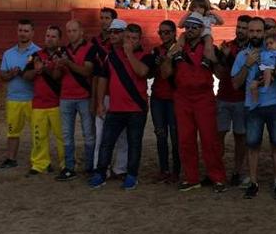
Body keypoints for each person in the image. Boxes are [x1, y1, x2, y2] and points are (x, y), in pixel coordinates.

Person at [161, 12, 227, 193]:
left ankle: (217, 178)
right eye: (187, 27)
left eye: (194, 27)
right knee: (185, 140)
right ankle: (191, 178)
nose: (190, 30)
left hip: (204, 97)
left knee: (209, 140)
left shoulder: (210, 48)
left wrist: (215, 60)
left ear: (201, 29)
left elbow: (221, 75)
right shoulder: (177, 49)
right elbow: (165, 74)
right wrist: (168, 57)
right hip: (182, 98)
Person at [89, 23, 154, 190]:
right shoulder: (111, 57)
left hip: (137, 109)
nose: (130, 41)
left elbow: (142, 72)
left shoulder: (146, 55)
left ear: (140, 40)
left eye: (134, 38)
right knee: (106, 142)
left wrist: (129, 54)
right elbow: (103, 79)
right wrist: (100, 102)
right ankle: (100, 173)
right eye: (127, 37)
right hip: (116, 108)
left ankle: (131, 175)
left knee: (134, 144)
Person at [231, 17, 276, 199]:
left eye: (259, 31)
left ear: (264, 32)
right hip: (253, 106)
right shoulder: (242, 56)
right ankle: (253, 182)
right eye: (252, 31)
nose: (255, 34)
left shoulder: (275, 49)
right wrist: (247, 65)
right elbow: (235, 84)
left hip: (275, 103)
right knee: (252, 145)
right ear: (247, 32)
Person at [56, 20, 97, 181]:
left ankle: (89, 166)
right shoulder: (63, 50)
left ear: (81, 32)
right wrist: (59, 66)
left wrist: (68, 63)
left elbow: (87, 71)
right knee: (67, 134)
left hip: (83, 96)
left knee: (88, 133)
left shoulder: (90, 48)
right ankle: (69, 167)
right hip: (66, 95)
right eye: (69, 31)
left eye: (74, 30)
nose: (71, 34)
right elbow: (58, 76)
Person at [22, 26, 65, 175]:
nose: (49, 38)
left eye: (53, 36)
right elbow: (26, 75)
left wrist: (44, 69)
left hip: (59, 103)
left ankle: (65, 163)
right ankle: (40, 164)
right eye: (47, 35)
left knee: (62, 136)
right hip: (39, 103)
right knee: (38, 136)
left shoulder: (63, 54)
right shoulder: (36, 55)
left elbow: (59, 77)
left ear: (59, 39)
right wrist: (37, 70)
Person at [0, 19, 40, 170]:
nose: (22, 34)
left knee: (37, 131)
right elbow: (2, 75)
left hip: (33, 98)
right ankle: (11, 158)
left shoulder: (38, 53)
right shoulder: (8, 53)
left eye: (26, 31)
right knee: (12, 131)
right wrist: (11, 73)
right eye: (20, 30)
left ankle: (39, 161)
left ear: (32, 33)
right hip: (14, 98)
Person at [92, 11, 128, 180]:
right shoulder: (105, 52)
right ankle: (100, 168)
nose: (113, 34)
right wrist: (99, 102)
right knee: (101, 136)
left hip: (123, 99)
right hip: (107, 97)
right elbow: (100, 78)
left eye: (117, 32)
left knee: (122, 137)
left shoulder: (130, 53)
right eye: (112, 32)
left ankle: (120, 168)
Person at [216, 15, 251, 187]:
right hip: (223, 96)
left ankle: (237, 171)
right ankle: (217, 171)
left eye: (244, 28)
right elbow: (219, 73)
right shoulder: (227, 46)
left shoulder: (252, 50)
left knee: (240, 137)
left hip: (242, 99)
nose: (240, 30)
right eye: (239, 27)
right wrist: (222, 58)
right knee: (219, 135)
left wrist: (228, 57)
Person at [150, 20, 181, 183]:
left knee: (176, 136)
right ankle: (164, 169)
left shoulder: (179, 51)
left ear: (174, 33)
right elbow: (150, 73)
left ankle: (176, 170)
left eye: (167, 32)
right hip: (158, 98)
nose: (163, 35)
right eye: (161, 32)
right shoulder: (156, 51)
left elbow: (167, 75)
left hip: (174, 98)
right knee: (161, 135)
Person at [176, 0, 224, 68]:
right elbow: (180, 25)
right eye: (195, 7)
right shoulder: (191, 16)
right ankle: (178, 53)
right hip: (192, 36)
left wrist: (212, 12)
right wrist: (187, 14)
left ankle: (206, 58)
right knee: (182, 35)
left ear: (205, 9)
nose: (197, 10)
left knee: (208, 39)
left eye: (201, 7)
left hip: (205, 35)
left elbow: (221, 22)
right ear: (192, 8)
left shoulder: (208, 17)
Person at [248, 34, 276, 103]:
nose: (269, 46)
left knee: (267, 70)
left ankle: (266, 86)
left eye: (271, 43)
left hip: (272, 69)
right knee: (253, 85)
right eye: (267, 44)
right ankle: (255, 101)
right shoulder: (264, 53)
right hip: (262, 70)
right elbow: (260, 61)